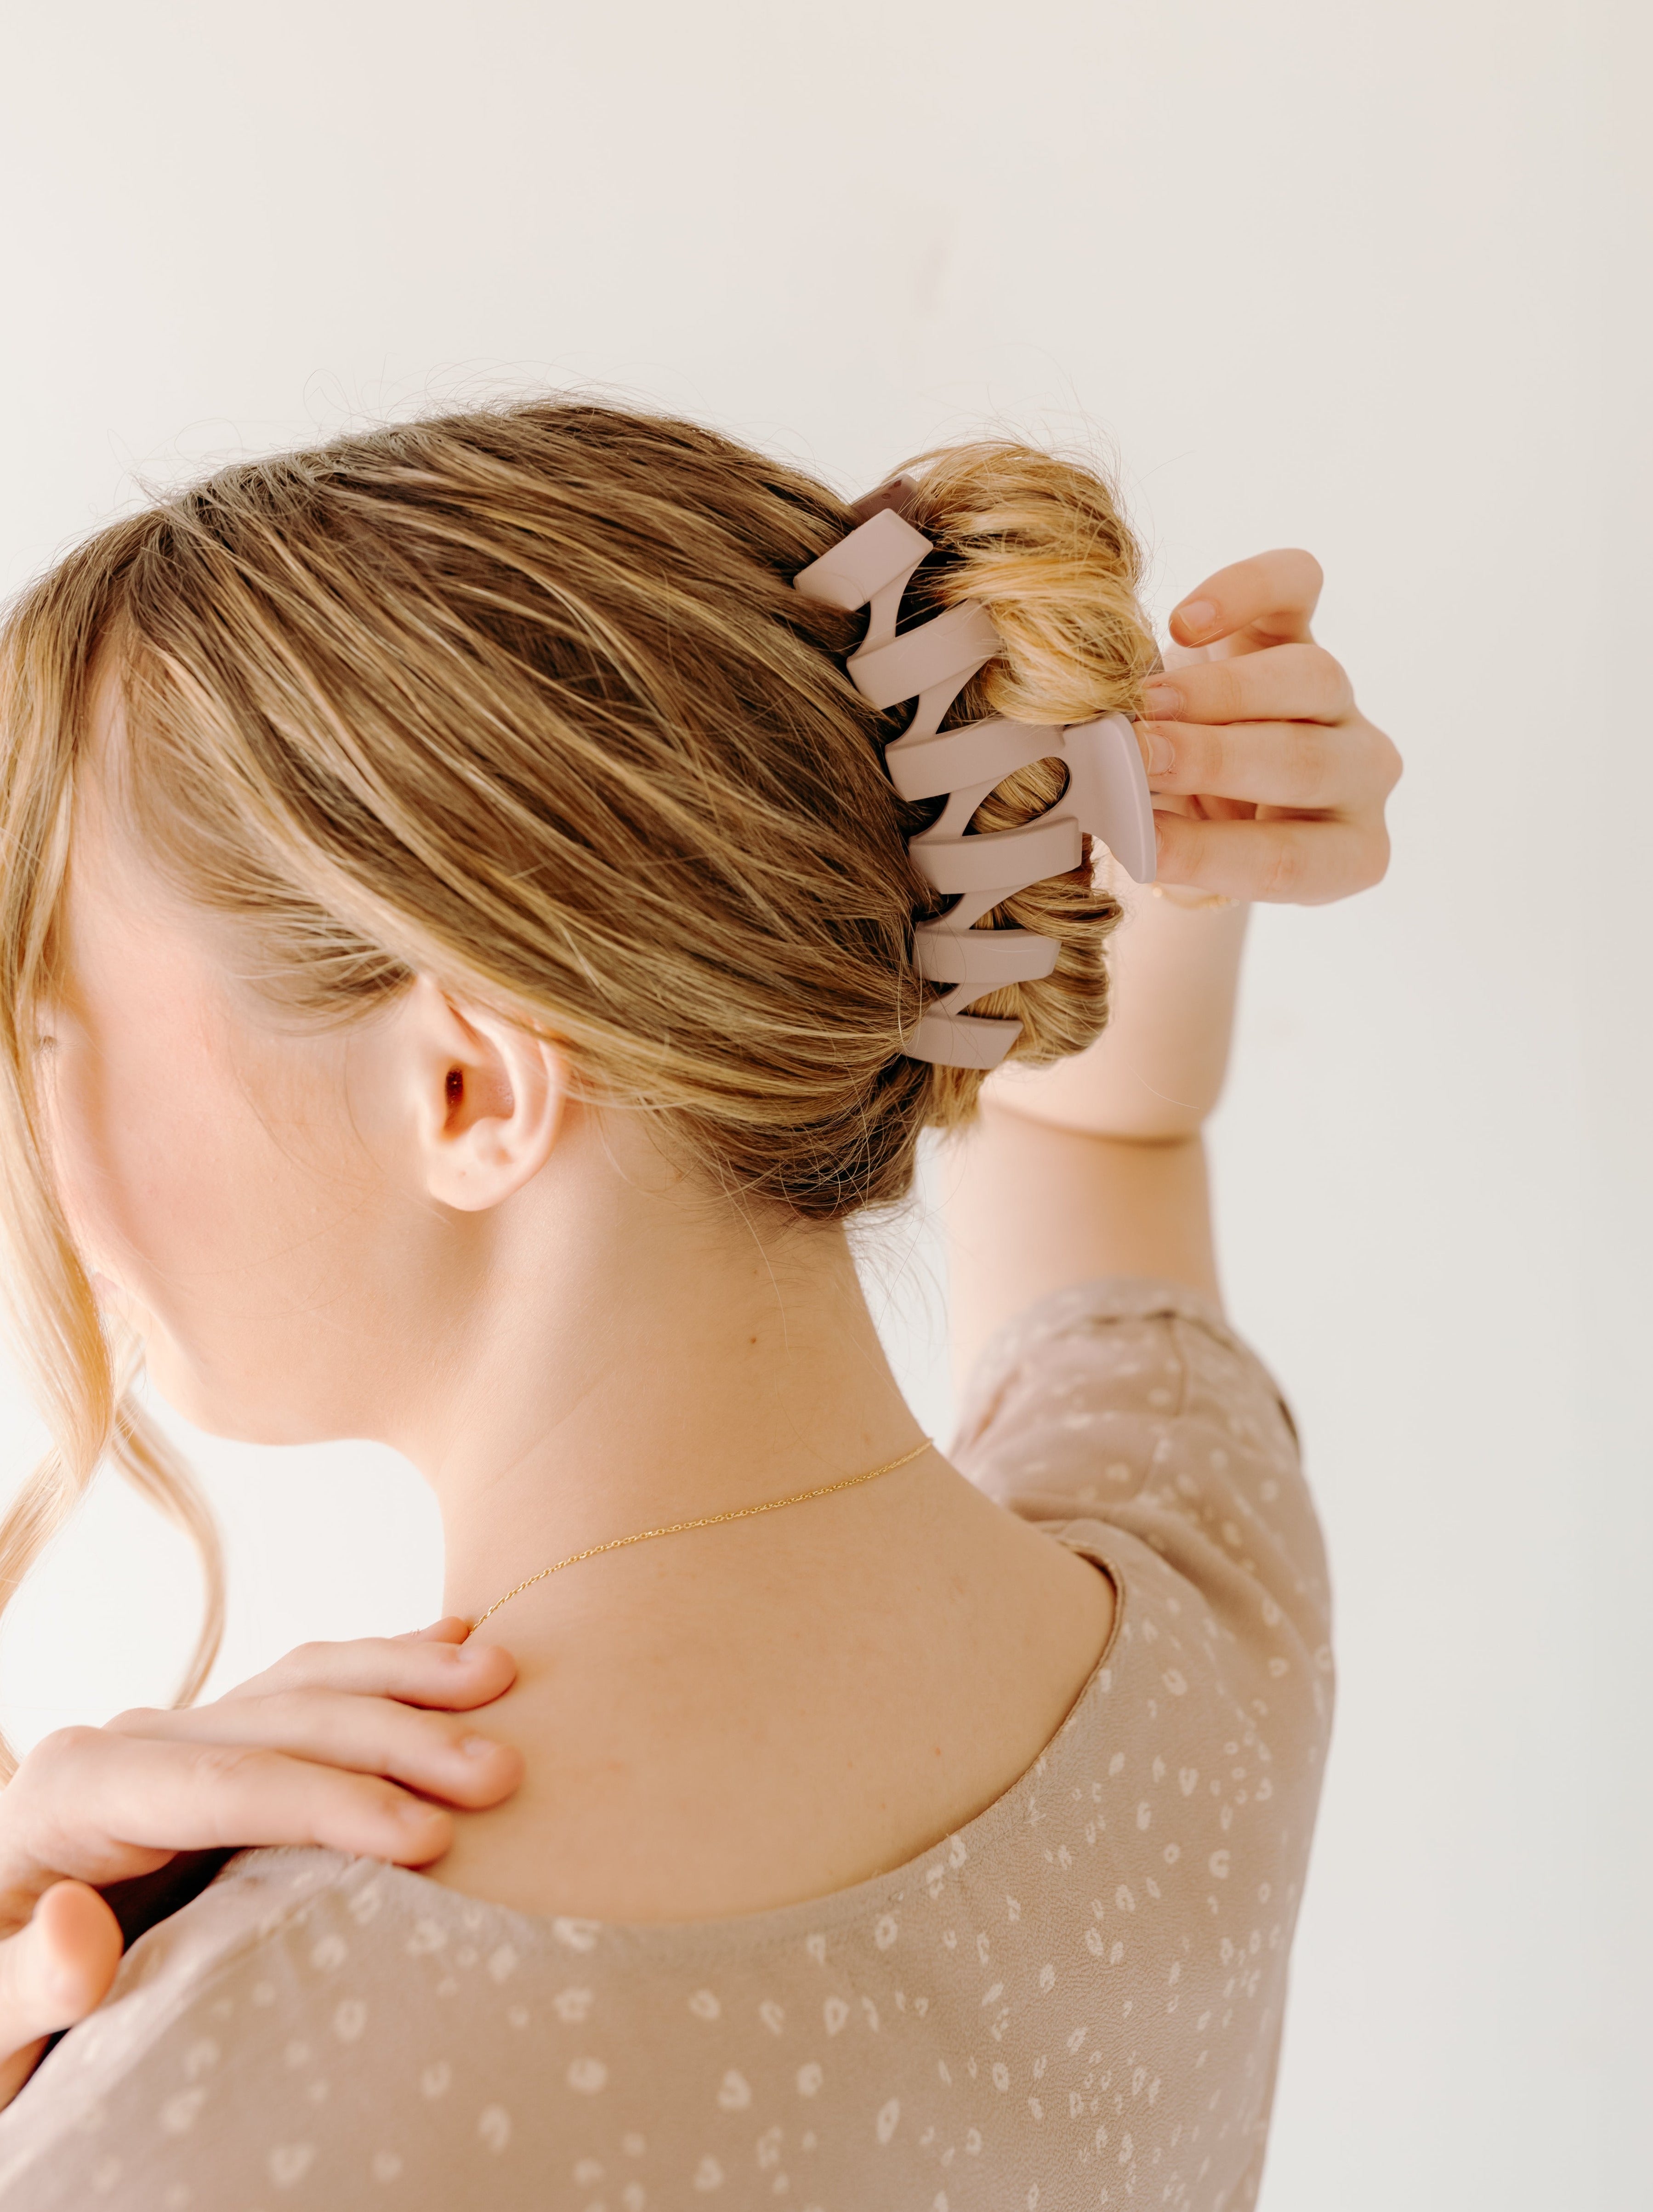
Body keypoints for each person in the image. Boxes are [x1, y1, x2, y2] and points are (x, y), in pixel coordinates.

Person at [0, 402, 1398, 2208]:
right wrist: (1170, 820)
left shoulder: (196, 2108)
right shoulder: (1203, 1594)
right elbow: (1112, 1131)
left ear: (466, 1094)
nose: (31, 1127)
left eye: (52, 1024)